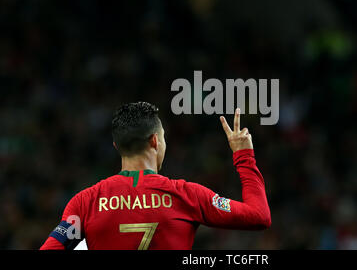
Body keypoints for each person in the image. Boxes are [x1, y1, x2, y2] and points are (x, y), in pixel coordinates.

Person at [40, 102, 271, 249]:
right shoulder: (187, 195)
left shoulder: (86, 202)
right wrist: (244, 156)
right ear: (155, 141)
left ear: (116, 146)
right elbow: (259, 216)